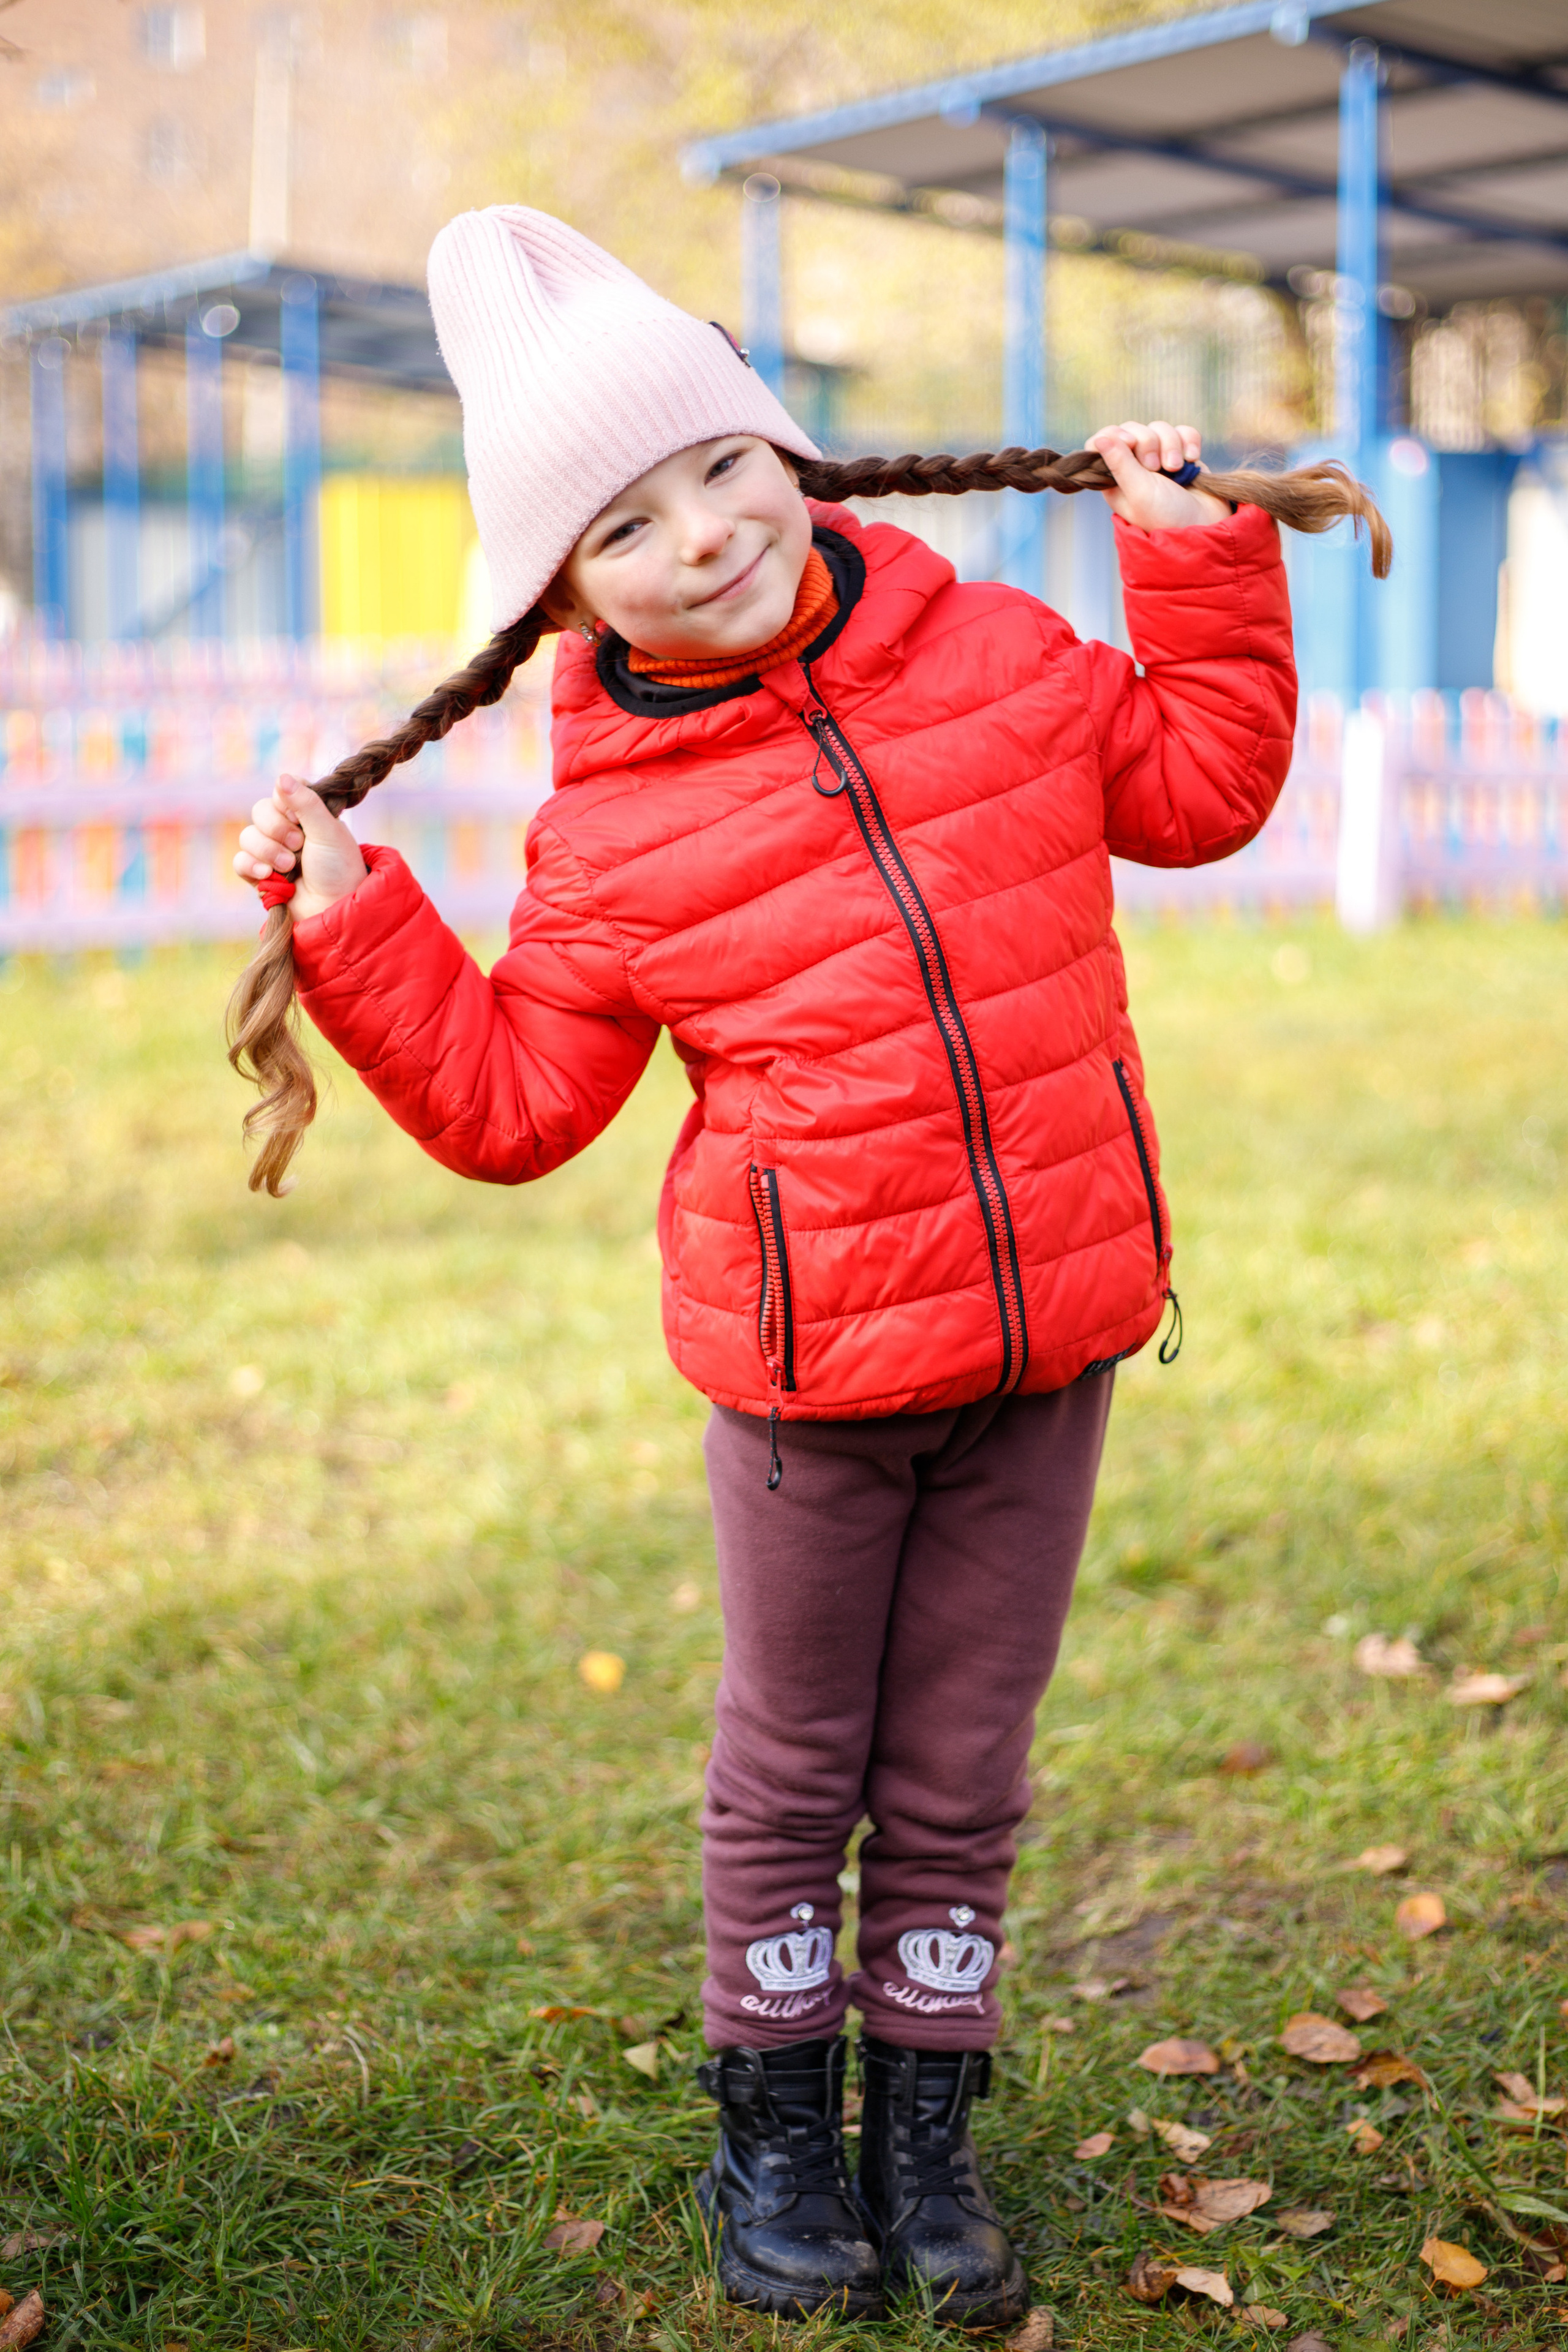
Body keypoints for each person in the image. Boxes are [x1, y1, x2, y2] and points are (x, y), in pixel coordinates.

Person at [227, 208, 1387, 2326]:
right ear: (554, 598)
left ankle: (923, 2140)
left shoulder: (1005, 660)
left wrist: (1193, 561)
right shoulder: (613, 838)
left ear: (789, 452)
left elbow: (1206, 790)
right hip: (805, 1388)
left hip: (1050, 1339)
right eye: (624, 523)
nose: (700, 534)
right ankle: (775, 2150)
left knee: (960, 1768)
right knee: (794, 1771)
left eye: (719, 467)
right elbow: (510, 1107)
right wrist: (360, 923)